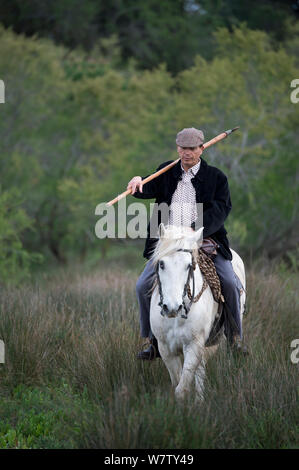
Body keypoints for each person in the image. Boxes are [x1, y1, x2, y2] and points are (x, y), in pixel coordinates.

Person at [127, 127, 248, 360]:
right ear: (178, 149)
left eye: (192, 148)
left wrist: (196, 228)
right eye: (183, 148)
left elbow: (222, 209)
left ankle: (235, 337)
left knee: (230, 283)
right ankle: (151, 341)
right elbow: (145, 189)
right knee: (142, 286)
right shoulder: (166, 170)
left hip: (203, 239)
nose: (187, 153)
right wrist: (136, 181)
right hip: (170, 243)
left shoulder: (217, 177)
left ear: (201, 148)